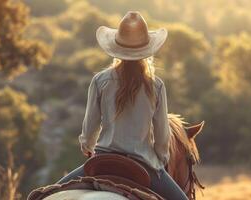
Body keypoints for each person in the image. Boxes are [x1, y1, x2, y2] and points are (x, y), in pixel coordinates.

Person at [56, 11, 189, 200]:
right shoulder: (156, 86)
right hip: (143, 164)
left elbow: (89, 131)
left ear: (116, 48)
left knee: (51, 192)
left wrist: (88, 146)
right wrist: (161, 160)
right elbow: (162, 137)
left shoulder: (99, 80)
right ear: (146, 50)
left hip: (102, 160)